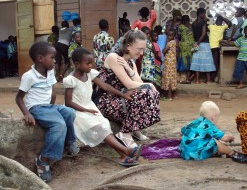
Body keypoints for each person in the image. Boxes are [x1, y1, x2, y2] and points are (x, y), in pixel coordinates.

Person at [63, 48, 142, 167]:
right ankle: (126, 151)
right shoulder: (70, 80)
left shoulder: (89, 74)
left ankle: (124, 156)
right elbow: (68, 102)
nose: (91, 66)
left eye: (92, 63)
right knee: (99, 128)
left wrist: (123, 95)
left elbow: (105, 86)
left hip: (90, 107)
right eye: (88, 63)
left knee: (105, 125)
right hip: (78, 111)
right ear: (77, 64)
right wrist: (86, 110)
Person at [15, 42, 79, 183]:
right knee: (59, 125)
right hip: (36, 108)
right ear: (40, 58)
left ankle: (70, 142)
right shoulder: (29, 76)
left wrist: (53, 108)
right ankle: (43, 159)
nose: (55, 60)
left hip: (49, 107)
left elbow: (52, 92)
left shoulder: (50, 71)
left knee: (69, 112)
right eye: (52, 57)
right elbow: (19, 98)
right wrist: (27, 113)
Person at [92, 30, 160, 148]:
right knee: (145, 92)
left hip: (121, 99)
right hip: (105, 102)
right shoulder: (114, 57)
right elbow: (130, 85)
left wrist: (129, 70)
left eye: (143, 49)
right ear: (128, 46)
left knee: (148, 93)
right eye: (139, 49)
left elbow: (139, 83)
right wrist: (149, 85)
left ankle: (134, 128)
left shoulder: (130, 63)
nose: (142, 53)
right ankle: (125, 133)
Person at [190, 8, 216, 84]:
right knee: (207, 61)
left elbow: (193, 34)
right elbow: (204, 34)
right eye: (204, 13)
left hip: (196, 43)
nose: (205, 15)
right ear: (200, 14)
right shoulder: (203, 22)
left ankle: (197, 80)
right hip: (204, 43)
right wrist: (198, 42)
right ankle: (208, 80)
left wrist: (196, 43)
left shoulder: (194, 23)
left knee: (197, 61)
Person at [208, 15, 231, 81]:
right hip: (217, 47)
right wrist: (223, 17)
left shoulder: (211, 26)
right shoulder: (223, 27)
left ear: (215, 21)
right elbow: (230, 23)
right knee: (215, 63)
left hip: (210, 47)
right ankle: (212, 77)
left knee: (209, 62)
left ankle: (210, 77)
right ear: (222, 22)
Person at [162, 29, 177, 100]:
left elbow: (163, 51)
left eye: (170, 35)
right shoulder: (175, 42)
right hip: (173, 62)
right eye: (168, 35)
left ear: (173, 36)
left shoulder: (169, 43)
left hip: (168, 63)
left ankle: (169, 96)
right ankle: (173, 95)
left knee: (168, 78)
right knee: (172, 77)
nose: (168, 37)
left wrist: (166, 42)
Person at [178, 15, 193, 84]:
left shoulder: (180, 27)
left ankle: (182, 79)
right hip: (190, 47)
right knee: (189, 62)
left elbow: (179, 36)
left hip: (183, 46)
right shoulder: (191, 26)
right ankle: (188, 79)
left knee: (183, 62)